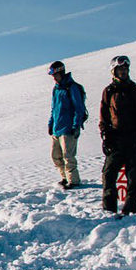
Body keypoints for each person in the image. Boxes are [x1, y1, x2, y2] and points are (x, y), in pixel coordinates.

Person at [99, 55, 136, 215]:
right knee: (108, 175)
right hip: (115, 140)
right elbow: (104, 116)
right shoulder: (109, 91)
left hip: (133, 140)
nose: (123, 72)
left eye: (125, 69)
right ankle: (109, 209)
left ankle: (130, 210)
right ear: (114, 71)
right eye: (120, 69)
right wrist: (105, 135)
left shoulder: (135, 90)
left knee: (134, 178)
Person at [47, 60, 89, 189]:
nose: (53, 78)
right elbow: (54, 108)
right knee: (56, 157)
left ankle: (74, 181)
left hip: (68, 129)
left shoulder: (72, 87)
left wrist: (76, 126)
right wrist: (50, 123)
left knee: (68, 156)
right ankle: (65, 178)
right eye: (52, 75)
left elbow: (79, 108)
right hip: (56, 129)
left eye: (55, 75)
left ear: (61, 72)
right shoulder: (56, 89)